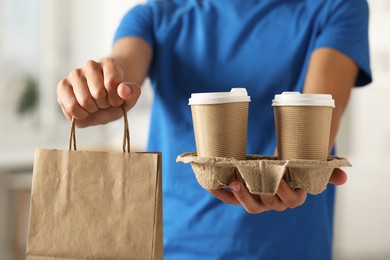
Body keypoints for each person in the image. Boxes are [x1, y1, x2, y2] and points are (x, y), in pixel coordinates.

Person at [57, 0, 372, 259]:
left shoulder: (337, 7)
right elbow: (122, 69)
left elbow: (317, 117)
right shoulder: (153, 17)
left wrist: (286, 175)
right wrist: (97, 89)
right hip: (175, 247)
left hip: (291, 247)